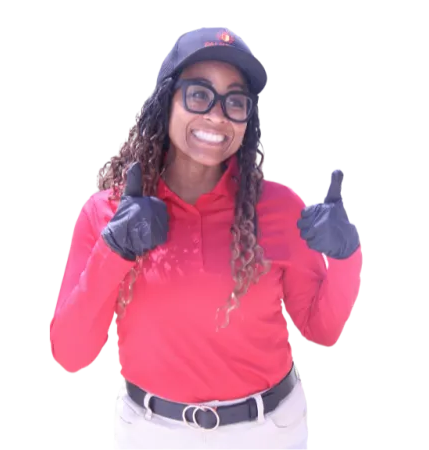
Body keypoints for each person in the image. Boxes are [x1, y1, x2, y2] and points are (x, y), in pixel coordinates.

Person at [49, 26, 363, 450]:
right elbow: (71, 354)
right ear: (167, 101)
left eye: (235, 102)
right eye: (199, 95)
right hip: (151, 433)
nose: (217, 116)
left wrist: (346, 256)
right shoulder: (109, 213)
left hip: (269, 431)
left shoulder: (279, 206)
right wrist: (115, 250)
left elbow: (323, 330)